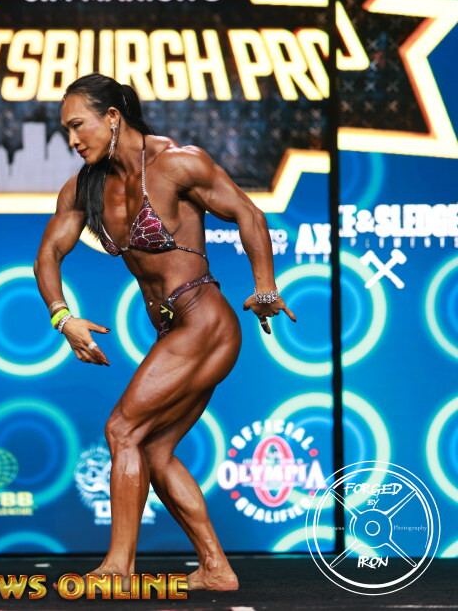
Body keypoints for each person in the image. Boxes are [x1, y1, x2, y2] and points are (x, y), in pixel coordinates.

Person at [34, 73, 296, 592]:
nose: (72, 139)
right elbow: (48, 255)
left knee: (121, 430)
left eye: (78, 125)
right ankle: (216, 568)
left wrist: (265, 287)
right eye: (66, 130)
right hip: (175, 332)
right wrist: (63, 318)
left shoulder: (176, 163)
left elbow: (248, 213)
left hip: (204, 319)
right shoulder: (85, 188)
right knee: (153, 451)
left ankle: (118, 568)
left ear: (113, 117)